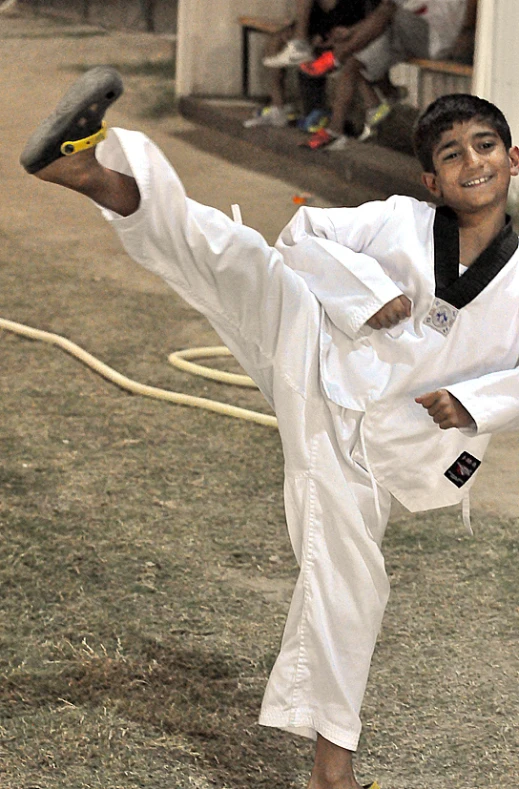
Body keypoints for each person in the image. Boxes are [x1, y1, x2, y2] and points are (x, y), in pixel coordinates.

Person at [20, 67, 519, 789]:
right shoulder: (396, 220)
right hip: (318, 348)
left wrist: (474, 403)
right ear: (430, 180)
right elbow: (303, 233)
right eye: (451, 154)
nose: (471, 161)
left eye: (484, 146)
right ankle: (89, 170)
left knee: (351, 580)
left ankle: (329, 772)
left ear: (512, 158)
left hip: (364, 447)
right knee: (238, 255)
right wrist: (365, 292)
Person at [299, 0, 478, 149]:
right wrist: (352, 32)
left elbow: (389, 10)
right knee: (353, 62)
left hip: (435, 39)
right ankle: (334, 131)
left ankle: (337, 59)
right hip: (404, 33)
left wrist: (465, 36)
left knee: (388, 9)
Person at [245, 0, 378, 129]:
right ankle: (277, 108)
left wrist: (325, 36)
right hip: (321, 38)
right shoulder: (311, 6)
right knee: (276, 43)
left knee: (343, 58)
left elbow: (362, 22)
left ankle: (363, 111)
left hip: (351, 39)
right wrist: (295, 32)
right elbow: (311, 21)